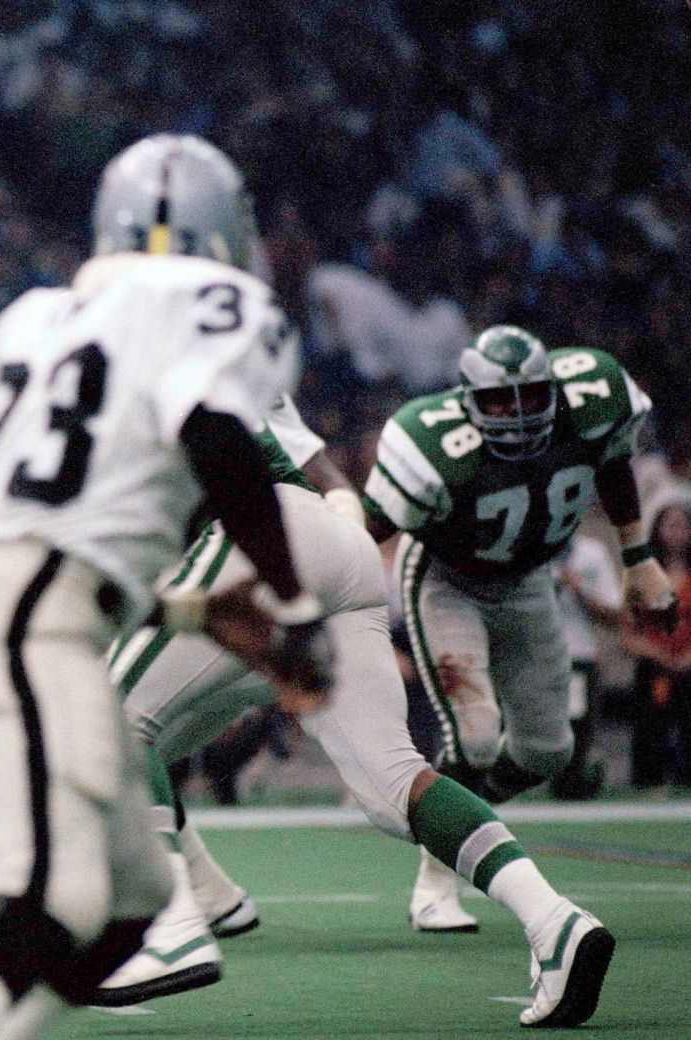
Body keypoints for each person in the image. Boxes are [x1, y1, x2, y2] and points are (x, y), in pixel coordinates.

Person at [0, 134, 334, 1040]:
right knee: (51, 894)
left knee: (134, 898)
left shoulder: (40, 316)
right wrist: (294, 607)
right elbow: (216, 438)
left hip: (35, 608)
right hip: (29, 621)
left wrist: (190, 607)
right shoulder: (224, 307)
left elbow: (75, 508)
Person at [89, 383, 625, 1026]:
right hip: (335, 547)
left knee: (104, 718)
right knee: (393, 782)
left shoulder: (122, 360)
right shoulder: (214, 358)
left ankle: (170, 924)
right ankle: (554, 921)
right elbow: (304, 456)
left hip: (260, 538)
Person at [364, 325, 675, 940]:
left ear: (554, 388)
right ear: (468, 401)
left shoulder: (593, 399)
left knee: (546, 751)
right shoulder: (434, 442)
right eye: (500, 401)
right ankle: (437, 879)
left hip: (531, 580)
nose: (517, 413)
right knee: (476, 735)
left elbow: (613, 462)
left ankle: (448, 835)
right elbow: (370, 526)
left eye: (531, 396)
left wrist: (638, 558)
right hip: (447, 580)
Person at [620, 496, 691, 791]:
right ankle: (649, 782)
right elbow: (629, 632)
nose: (677, 532)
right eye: (670, 525)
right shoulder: (640, 578)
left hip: (688, 665)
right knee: (651, 724)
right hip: (653, 664)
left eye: (683, 525)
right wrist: (659, 654)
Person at [550, 533, 624, 799]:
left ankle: (573, 780)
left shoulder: (591, 553)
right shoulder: (529, 547)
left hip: (577, 653)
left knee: (575, 722)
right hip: (533, 654)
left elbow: (615, 612)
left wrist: (579, 590)